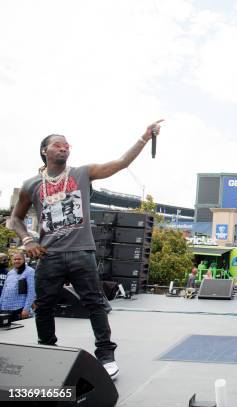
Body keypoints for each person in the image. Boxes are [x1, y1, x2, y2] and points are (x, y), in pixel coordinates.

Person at [10, 119, 163, 380]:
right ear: (44, 151)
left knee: (95, 304)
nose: (64, 148)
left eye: (67, 145)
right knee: (45, 305)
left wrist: (144, 138)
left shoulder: (82, 173)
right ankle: (47, 351)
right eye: (57, 145)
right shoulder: (31, 185)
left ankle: (105, 354)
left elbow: (120, 163)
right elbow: (14, 219)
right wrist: (27, 240)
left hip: (82, 251)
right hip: (50, 254)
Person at [0, 252, 36, 322]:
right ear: (12, 261)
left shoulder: (30, 271)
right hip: (5, 309)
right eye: (15, 259)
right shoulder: (10, 273)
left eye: (19, 259)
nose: (17, 261)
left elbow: (31, 292)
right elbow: (4, 292)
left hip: (19, 309)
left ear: (24, 260)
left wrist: (26, 309)